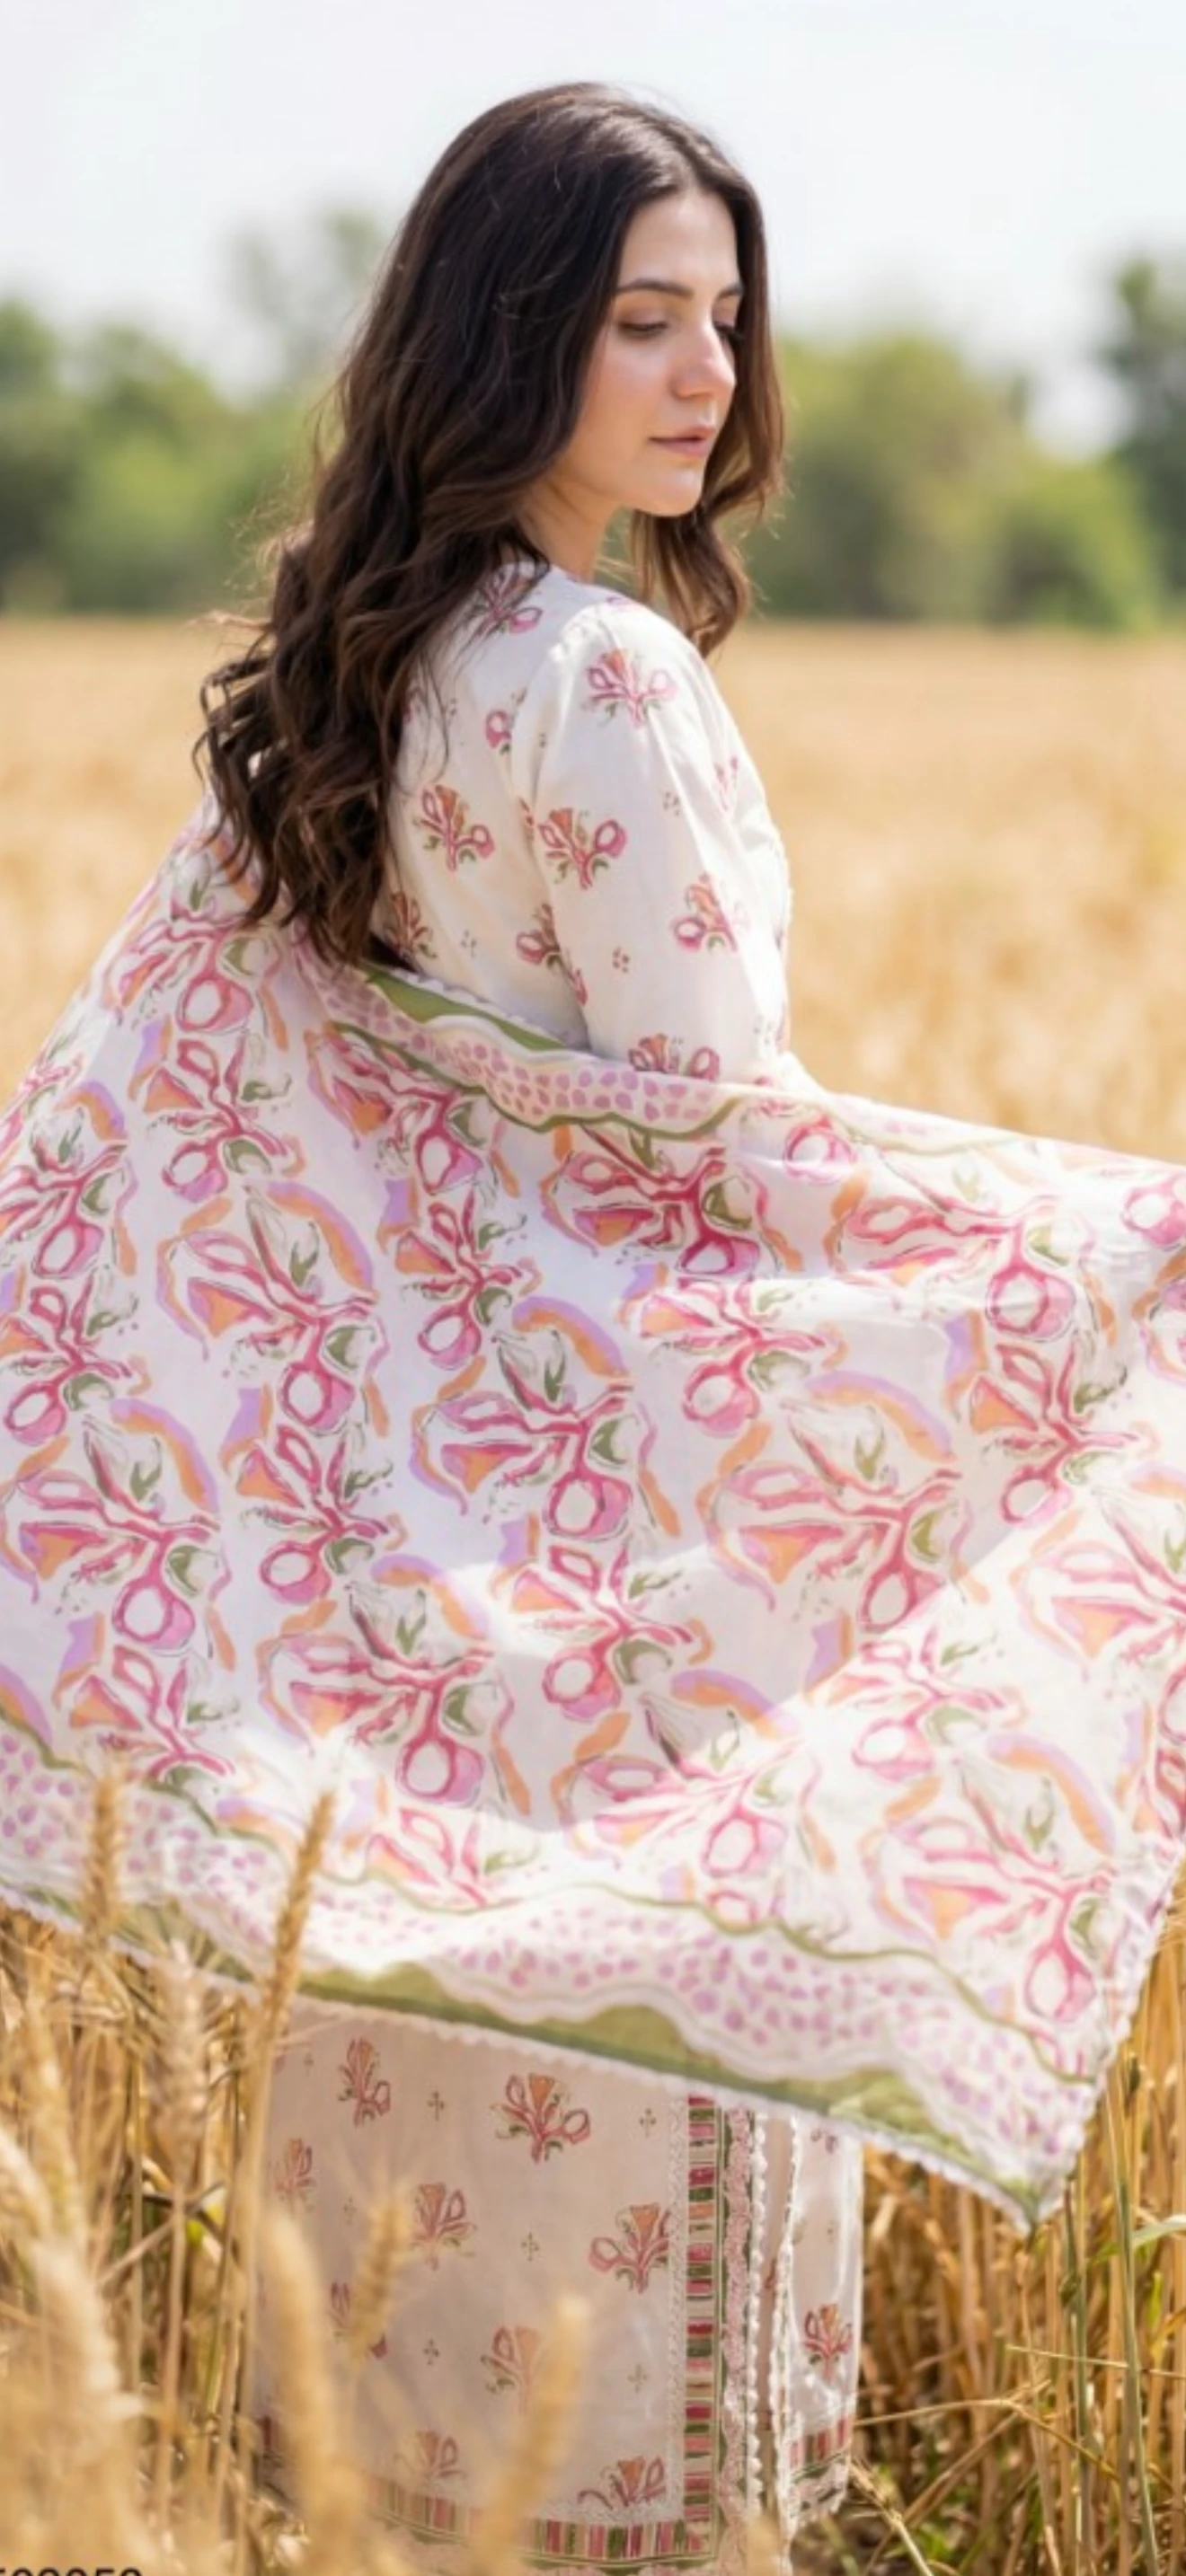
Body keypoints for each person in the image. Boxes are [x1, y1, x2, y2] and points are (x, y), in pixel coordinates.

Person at [203, 83, 863, 2567]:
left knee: (413, 2211)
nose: (707, 376)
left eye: (724, 319)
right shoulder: (606, 675)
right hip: (624, 1561)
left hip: (401, 1555)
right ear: (509, 337)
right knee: (629, 2183)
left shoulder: (354, 670)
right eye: (637, 320)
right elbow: (719, 1151)